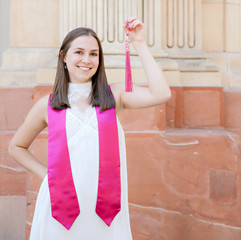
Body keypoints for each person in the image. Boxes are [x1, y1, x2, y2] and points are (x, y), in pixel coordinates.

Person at [8, 17, 171, 240]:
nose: (87, 59)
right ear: (64, 57)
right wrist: (47, 176)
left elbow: (161, 94)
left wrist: (139, 43)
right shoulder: (47, 105)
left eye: (94, 54)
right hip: (59, 208)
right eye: (79, 52)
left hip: (105, 211)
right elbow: (16, 146)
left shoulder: (114, 96)